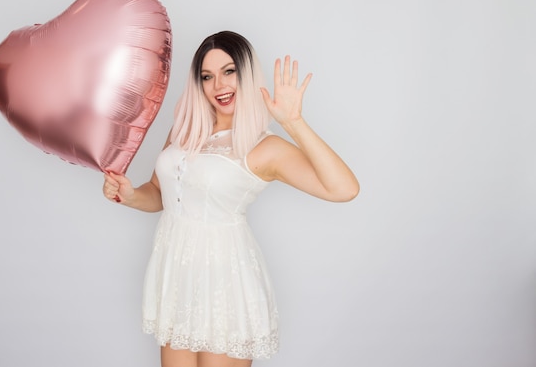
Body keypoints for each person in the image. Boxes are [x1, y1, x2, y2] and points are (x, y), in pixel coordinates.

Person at [102, 31, 359, 367]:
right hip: (177, 277)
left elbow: (344, 189)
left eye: (229, 71)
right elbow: (162, 196)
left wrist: (294, 123)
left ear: (247, 73)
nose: (218, 85)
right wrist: (130, 194)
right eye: (207, 76)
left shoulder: (262, 147)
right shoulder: (185, 129)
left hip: (224, 281)